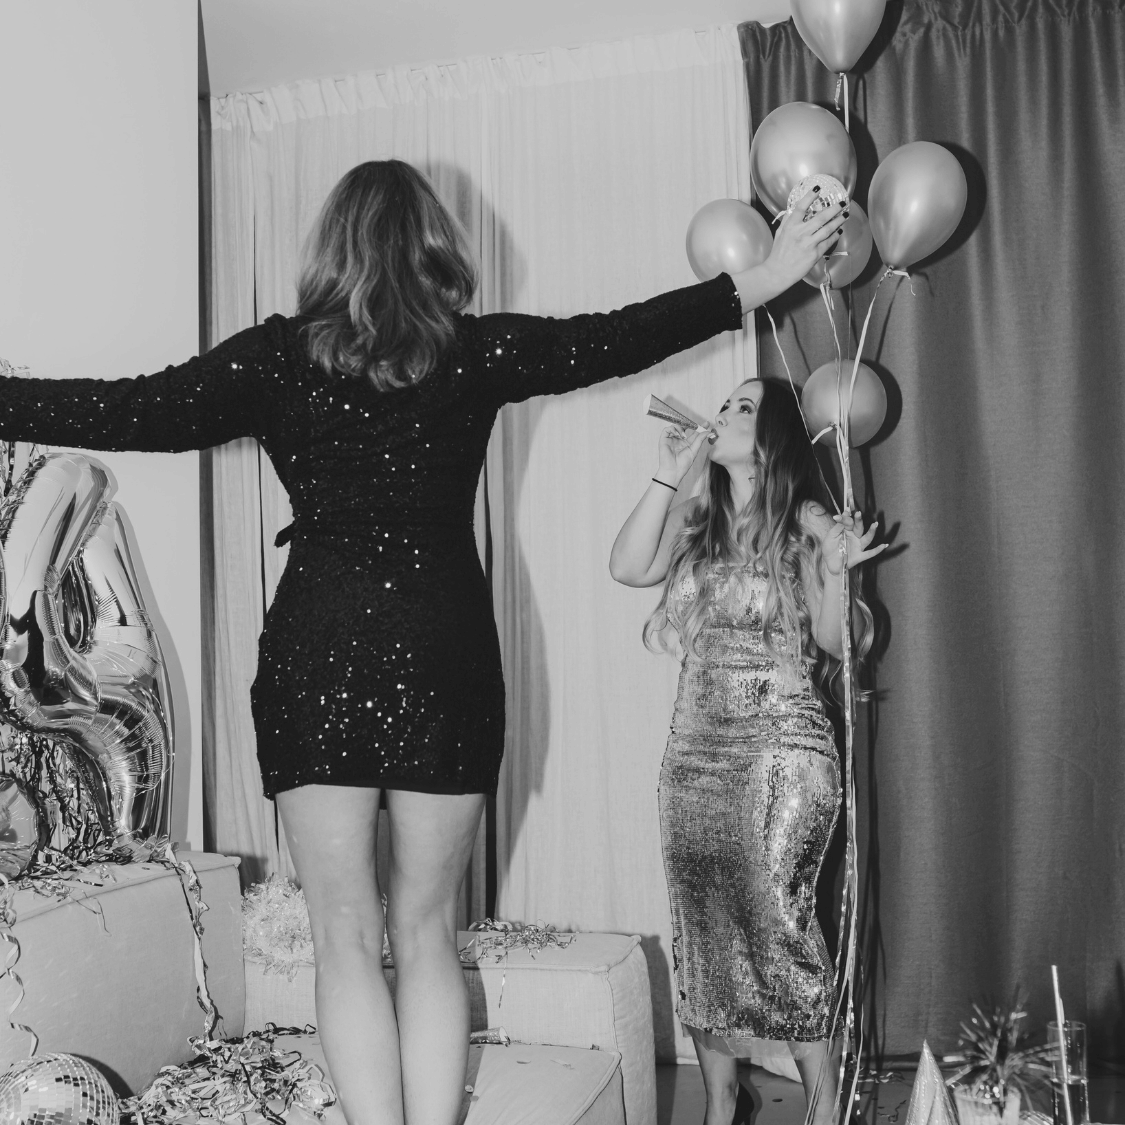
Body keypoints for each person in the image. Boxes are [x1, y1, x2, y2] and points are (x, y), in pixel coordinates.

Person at [0, 160, 845, 1125]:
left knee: (346, 936)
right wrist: (761, 280)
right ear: (435, 245)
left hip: (319, 651)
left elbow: (129, 408)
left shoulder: (276, 359)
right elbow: (613, 339)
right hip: (443, 649)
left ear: (330, 252)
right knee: (429, 932)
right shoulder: (472, 352)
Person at [609, 376, 885, 1125]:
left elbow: (835, 640)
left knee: (779, 924)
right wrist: (670, 471)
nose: (723, 410)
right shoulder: (695, 519)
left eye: (741, 406)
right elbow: (626, 566)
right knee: (703, 933)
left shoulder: (804, 515)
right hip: (694, 757)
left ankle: (827, 1106)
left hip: (783, 753)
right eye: (723, 402)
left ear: (771, 437)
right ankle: (722, 1100)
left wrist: (836, 565)